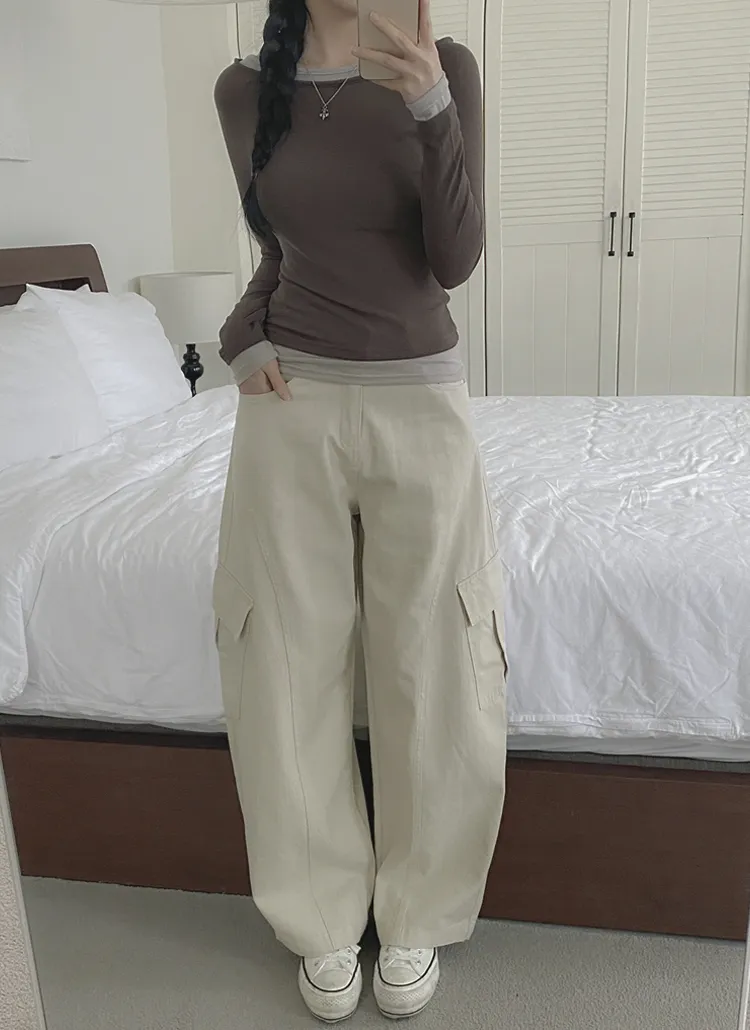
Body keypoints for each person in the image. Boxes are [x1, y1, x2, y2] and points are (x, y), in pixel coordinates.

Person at [213, 0, 508, 1020]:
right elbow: (281, 251)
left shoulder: (444, 64)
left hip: (419, 401)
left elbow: (455, 256)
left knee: (435, 655)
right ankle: (319, 916)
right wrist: (240, 334)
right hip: (287, 403)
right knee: (284, 659)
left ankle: (418, 912)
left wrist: (429, 102)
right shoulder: (244, 91)